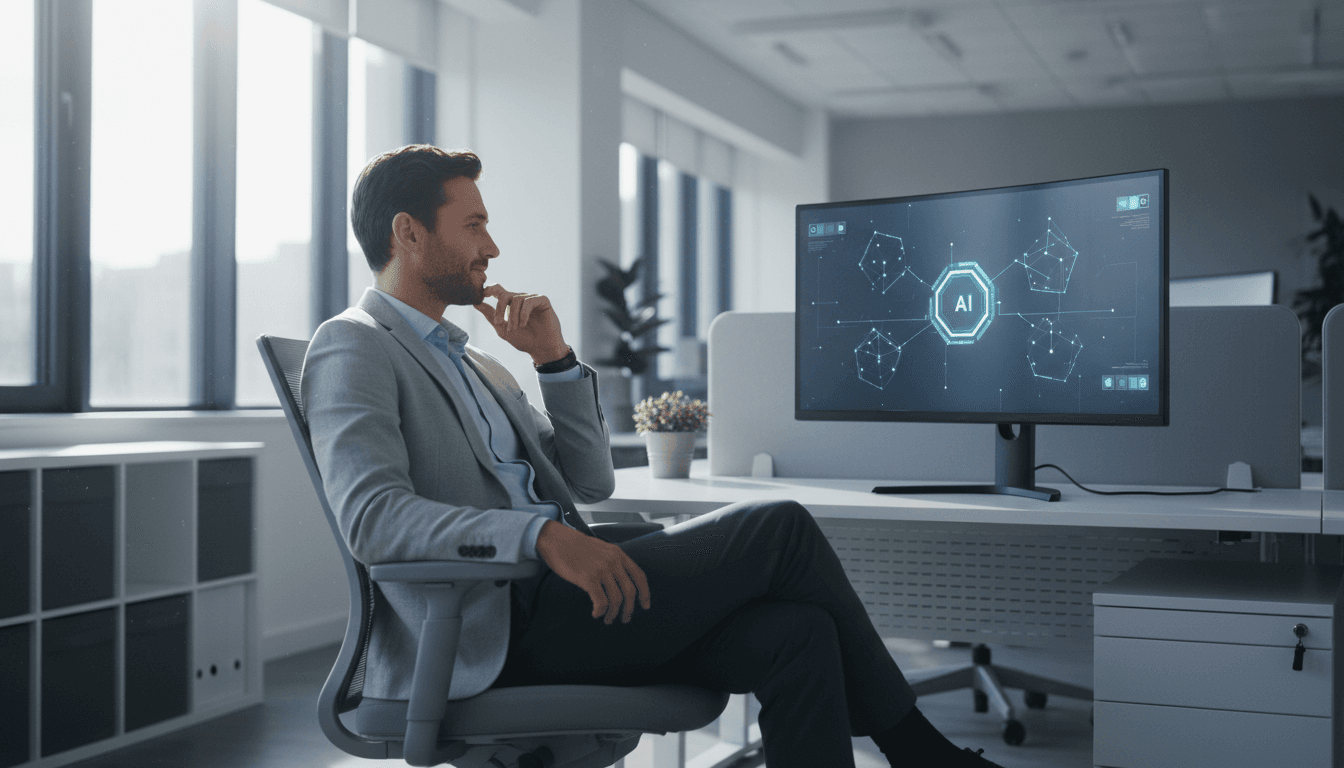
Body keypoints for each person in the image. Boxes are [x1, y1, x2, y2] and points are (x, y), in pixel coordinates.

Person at [302, 144, 1004, 768]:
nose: (492, 247)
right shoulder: (354, 342)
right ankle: (918, 750)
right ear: (408, 233)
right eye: (474, 225)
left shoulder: (477, 364)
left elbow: (589, 478)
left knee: (800, 632)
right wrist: (540, 535)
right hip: (497, 627)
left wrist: (554, 361)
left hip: (570, 600)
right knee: (779, 526)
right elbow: (373, 518)